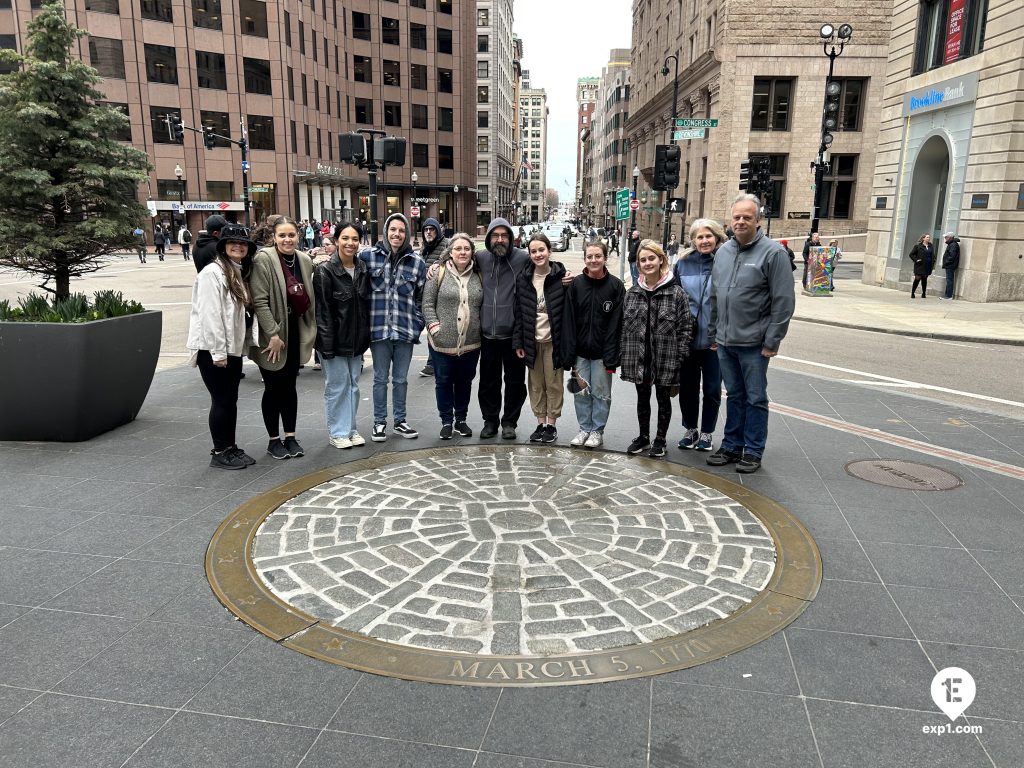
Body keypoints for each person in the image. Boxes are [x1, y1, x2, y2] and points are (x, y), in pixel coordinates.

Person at [707, 194, 795, 474]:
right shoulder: (723, 252)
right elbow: (715, 296)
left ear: (758, 220)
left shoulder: (774, 253)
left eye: (747, 217)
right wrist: (713, 333)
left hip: (755, 344)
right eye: (737, 217)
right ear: (730, 220)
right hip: (725, 341)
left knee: (755, 398)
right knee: (734, 395)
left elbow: (783, 301)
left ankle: (753, 450)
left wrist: (773, 340)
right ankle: (732, 445)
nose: (741, 221)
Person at [185, 225, 257, 470]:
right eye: (232, 242)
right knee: (221, 399)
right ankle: (220, 451)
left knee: (230, 399)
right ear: (223, 246)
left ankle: (230, 447)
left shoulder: (236, 271)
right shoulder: (212, 273)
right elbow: (210, 315)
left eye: (243, 243)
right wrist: (218, 353)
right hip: (212, 349)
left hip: (230, 348)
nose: (238, 246)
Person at [248, 216, 316, 460]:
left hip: (294, 330)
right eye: (282, 235)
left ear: (299, 236)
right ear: (273, 237)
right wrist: (273, 334)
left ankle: (290, 436)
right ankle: (273, 440)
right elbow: (260, 301)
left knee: (289, 386)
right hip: (273, 335)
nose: (288, 240)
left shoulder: (304, 260)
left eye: (291, 235)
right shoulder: (264, 259)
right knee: (273, 387)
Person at [620, 240, 693, 459]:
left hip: (665, 357)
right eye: (643, 260)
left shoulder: (676, 293)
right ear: (638, 265)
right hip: (639, 357)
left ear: (661, 259)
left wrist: (680, 356)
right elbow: (624, 327)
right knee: (642, 399)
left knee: (663, 400)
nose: (647, 263)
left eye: (651, 258)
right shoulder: (632, 293)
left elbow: (685, 327)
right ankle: (643, 436)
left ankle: (660, 440)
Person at [360, 213, 427, 442]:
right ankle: (379, 422)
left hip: (405, 331)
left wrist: (417, 323)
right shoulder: (368, 257)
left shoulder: (417, 262)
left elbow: (422, 297)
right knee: (380, 379)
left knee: (401, 379)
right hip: (378, 330)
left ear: (406, 234)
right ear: (386, 231)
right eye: (393, 229)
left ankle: (400, 421)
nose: (397, 234)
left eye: (401, 230)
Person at [562, 239, 624, 449]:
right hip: (580, 352)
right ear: (585, 259)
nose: (594, 260)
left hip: (602, 354)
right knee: (581, 393)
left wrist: (613, 354)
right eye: (590, 256)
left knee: (601, 394)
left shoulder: (616, 286)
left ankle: (597, 430)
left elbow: (618, 324)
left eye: (598, 256)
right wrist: (569, 353)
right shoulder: (576, 285)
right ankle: (584, 428)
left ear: (605, 258)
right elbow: (569, 320)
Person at [314, 222, 370, 449]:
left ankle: (351, 429)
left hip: (356, 341)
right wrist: (326, 346)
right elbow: (323, 312)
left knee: (353, 386)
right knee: (337, 387)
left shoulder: (363, 268)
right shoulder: (325, 271)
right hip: (334, 341)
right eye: (345, 238)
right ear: (336, 241)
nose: (350, 243)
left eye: (355, 239)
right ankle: (338, 432)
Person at [423, 233, 483, 439]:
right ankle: (446, 421)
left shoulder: (478, 274)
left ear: (472, 252)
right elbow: (427, 304)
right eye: (458, 249)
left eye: (467, 248)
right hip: (442, 342)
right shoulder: (438, 273)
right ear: (450, 252)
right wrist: (435, 328)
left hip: (471, 343)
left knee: (465, 382)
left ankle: (461, 420)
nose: (462, 252)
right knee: (444, 381)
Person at [673, 218, 726, 452]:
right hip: (688, 339)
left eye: (708, 236)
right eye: (699, 237)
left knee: (712, 389)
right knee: (688, 388)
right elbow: (675, 299)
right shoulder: (683, 264)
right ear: (693, 240)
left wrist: (722, 333)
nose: (704, 241)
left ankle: (707, 432)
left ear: (717, 237)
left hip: (715, 341)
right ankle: (691, 429)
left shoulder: (725, 261)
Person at [513, 233, 569, 444]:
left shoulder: (560, 276)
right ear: (529, 254)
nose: (538, 254)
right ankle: (540, 423)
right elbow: (519, 312)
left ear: (549, 251)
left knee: (553, 384)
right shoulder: (524, 278)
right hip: (531, 341)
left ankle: (551, 425)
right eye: (533, 251)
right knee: (536, 384)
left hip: (554, 341)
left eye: (541, 250)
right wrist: (518, 342)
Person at [417, 217, 450, 378]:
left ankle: (432, 363)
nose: (429, 232)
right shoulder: (425, 247)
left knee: (434, 330)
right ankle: (434, 362)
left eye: (432, 229)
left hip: (440, 296)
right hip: (424, 295)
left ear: (438, 231)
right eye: (426, 229)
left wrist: (440, 263)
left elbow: (452, 260)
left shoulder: (446, 244)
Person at [309, 235, 336, 370]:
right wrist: (311, 257)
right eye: (324, 245)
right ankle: (318, 359)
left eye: (328, 244)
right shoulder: (321, 262)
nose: (325, 248)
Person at [908, 234, 934, 299]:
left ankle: (923, 293)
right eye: (927, 237)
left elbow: (932, 255)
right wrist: (916, 260)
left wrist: (933, 261)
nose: (928, 238)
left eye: (929, 237)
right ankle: (913, 292)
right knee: (917, 278)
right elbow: (911, 254)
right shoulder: (918, 246)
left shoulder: (931, 246)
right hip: (919, 265)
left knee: (924, 279)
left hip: (927, 265)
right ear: (923, 238)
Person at [941, 232, 960, 300]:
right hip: (950, 265)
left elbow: (952, 256)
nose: (945, 238)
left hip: (950, 265)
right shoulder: (951, 244)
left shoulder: (953, 245)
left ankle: (948, 296)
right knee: (949, 280)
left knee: (949, 280)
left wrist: (946, 262)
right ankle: (947, 295)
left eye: (946, 237)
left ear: (949, 237)